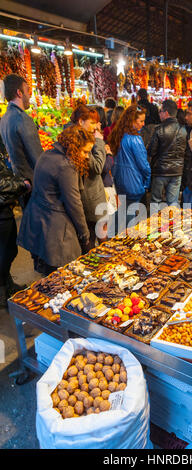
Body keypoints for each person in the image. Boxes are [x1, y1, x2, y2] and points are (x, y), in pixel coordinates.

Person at [17, 126, 93, 276]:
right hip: (53, 227)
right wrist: (85, 234)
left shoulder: (47, 154)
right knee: (61, 275)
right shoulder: (66, 165)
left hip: (36, 218)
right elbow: (74, 203)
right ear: (73, 147)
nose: (87, 156)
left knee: (45, 270)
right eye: (85, 151)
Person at [67, 105, 108, 246]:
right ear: (80, 122)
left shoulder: (76, 136)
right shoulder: (79, 141)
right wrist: (100, 142)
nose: (95, 126)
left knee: (94, 238)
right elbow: (97, 167)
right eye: (92, 123)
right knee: (94, 240)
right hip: (90, 199)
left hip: (90, 197)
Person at [0, 74, 43, 206]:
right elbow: (38, 157)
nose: (29, 96)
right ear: (19, 93)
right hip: (33, 182)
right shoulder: (23, 119)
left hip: (20, 181)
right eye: (27, 91)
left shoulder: (4, 118)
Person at [108, 105, 151, 229]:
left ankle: (113, 236)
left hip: (120, 181)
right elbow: (143, 165)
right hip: (133, 182)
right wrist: (147, 182)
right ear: (132, 121)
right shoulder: (135, 139)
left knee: (123, 210)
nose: (143, 124)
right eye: (141, 121)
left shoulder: (118, 135)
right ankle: (121, 240)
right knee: (129, 215)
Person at [0, 155, 30, 308]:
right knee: (6, 252)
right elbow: (2, 184)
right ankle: (4, 292)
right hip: (2, 213)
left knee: (7, 252)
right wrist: (22, 184)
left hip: (4, 210)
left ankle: (7, 287)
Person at [148, 99, 187, 207]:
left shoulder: (159, 129)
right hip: (177, 171)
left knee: (156, 201)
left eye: (160, 111)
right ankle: (172, 223)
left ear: (166, 113)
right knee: (173, 202)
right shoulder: (183, 130)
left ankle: (154, 223)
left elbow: (152, 151)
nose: (159, 114)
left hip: (161, 171)